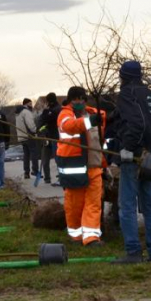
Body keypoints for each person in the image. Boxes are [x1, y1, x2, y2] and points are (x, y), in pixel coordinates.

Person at [111, 60, 151, 264]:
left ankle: (133, 251)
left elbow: (136, 123)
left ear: (123, 76)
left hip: (135, 157)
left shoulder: (127, 93)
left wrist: (127, 147)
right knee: (150, 205)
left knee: (127, 205)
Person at [57, 86, 106, 247]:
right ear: (70, 100)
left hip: (94, 167)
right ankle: (76, 235)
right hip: (74, 170)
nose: (79, 102)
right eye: (76, 99)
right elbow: (70, 126)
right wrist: (89, 122)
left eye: (82, 99)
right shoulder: (64, 115)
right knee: (75, 205)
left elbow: (100, 140)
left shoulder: (95, 114)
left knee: (93, 203)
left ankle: (91, 237)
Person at [39, 92, 62, 185]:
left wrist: (45, 111)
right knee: (45, 159)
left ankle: (61, 178)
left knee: (58, 159)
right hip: (48, 137)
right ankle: (47, 178)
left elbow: (44, 119)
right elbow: (41, 121)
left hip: (55, 138)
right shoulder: (53, 109)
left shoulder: (55, 110)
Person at [16, 97, 39, 179]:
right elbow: (31, 125)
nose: (31, 105)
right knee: (34, 153)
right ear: (26, 104)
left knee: (26, 155)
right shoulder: (26, 112)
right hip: (29, 136)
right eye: (30, 104)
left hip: (22, 137)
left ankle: (26, 172)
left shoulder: (18, 113)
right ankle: (35, 171)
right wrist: (36, 131)